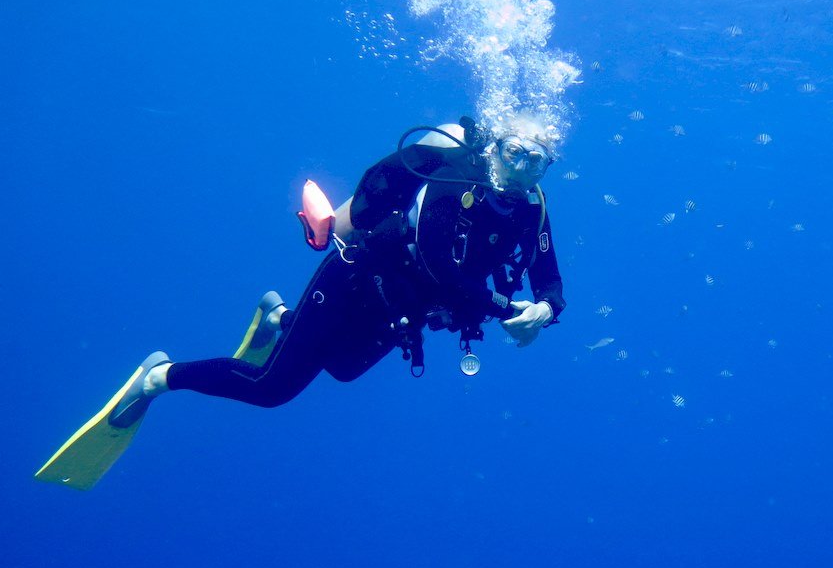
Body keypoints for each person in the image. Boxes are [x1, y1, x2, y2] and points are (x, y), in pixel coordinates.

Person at [108, 113, 567, 424]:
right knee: (271, 388)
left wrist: (545, 309)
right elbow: (437, 264)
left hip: (402, 311)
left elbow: (549, 279)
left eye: (536, 161)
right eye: (514, 152)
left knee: (343, 368)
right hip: (354, 280)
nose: (521, 169)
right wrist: (505, 307)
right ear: (495, 148)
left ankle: (279, 317)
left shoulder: (533, 208)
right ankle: (158, 376)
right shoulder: (454, 179)